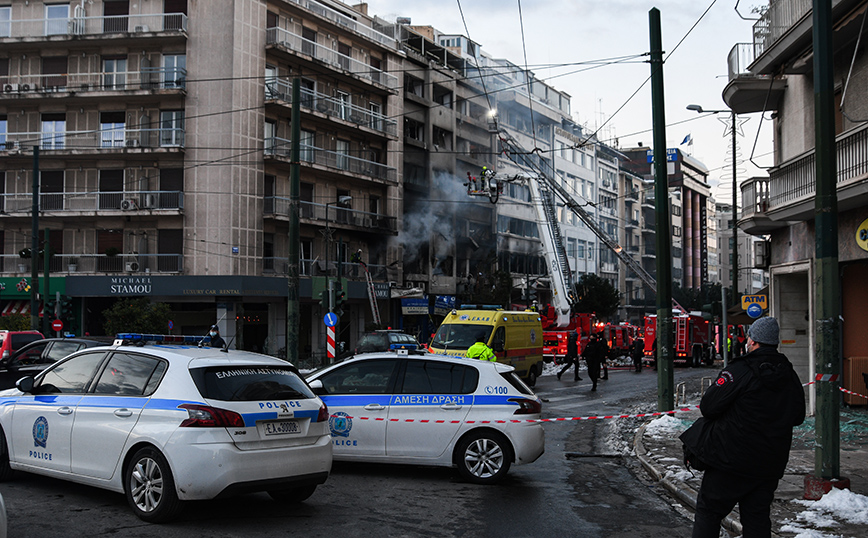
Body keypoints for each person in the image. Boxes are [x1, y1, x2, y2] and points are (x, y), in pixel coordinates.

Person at [680, 316, 805, 538]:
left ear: (754, 341)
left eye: (749, 338)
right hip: (768, 463)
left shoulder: (741, 370)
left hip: (731, 459)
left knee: (709, 510)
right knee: (756, 518)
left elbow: (709, 406)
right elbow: (798, 416)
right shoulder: (789, 374)